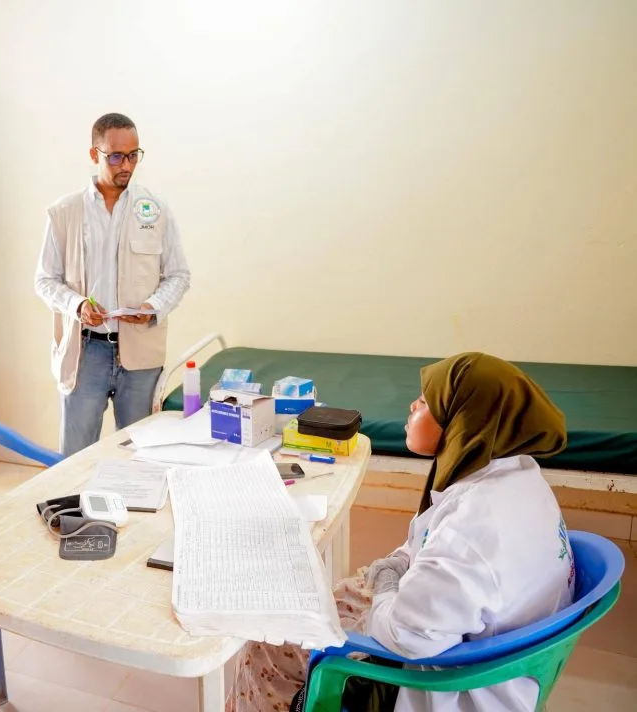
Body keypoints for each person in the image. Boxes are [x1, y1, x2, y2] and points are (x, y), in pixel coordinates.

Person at [227, 353, 574, 712]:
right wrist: (396, 563)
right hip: (478, 640)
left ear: (464, 422)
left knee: (265, 643)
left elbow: (403, 637)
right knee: (341, 592)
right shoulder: (518, 476)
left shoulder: (471, 530)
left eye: (424, 402)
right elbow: (431, 547)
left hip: (442, 678)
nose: (412, 405)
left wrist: (388, 583)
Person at [34, 112, 191, 456]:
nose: (127, 165)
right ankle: (73, 509)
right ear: (95, 155)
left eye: (134, 155)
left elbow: (179, 275)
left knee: (142, 455)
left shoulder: (155, 209)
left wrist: (154, 307)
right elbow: (45, 280)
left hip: (140, 353)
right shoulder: (64, 212)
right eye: (116, 156)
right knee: (75, 457)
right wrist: (76, 306)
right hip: (85, 352)